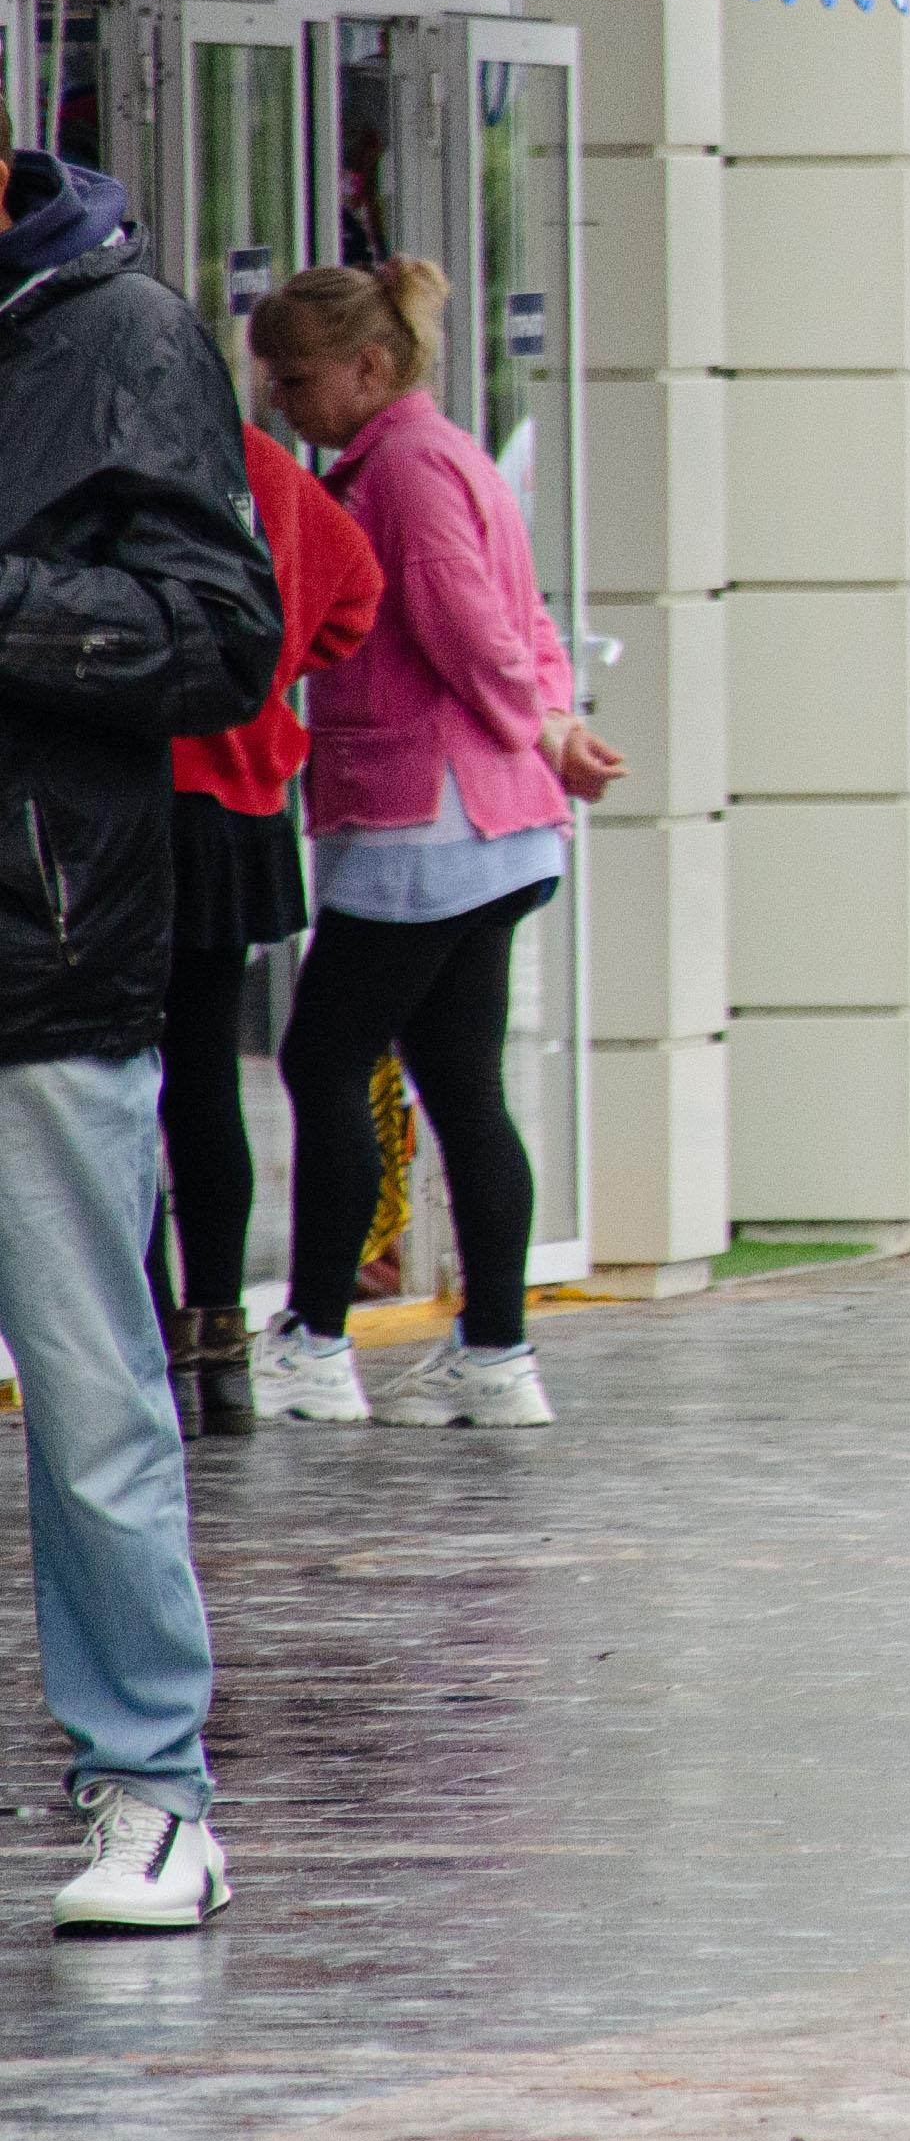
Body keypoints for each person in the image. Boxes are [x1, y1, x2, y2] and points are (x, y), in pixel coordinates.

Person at [0, 143, 282, 1932]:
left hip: (43, 950)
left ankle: (154, 1790)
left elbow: (224, 635)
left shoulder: (118, 334)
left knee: (93, 1392)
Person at [246, 261, 626, 1432]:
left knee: (324, 1061)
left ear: (368, 367)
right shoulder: (443, 451)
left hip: (427, 819)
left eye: (297, 380)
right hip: (495, 821)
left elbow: (468, 630)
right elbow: (524, 622)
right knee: (463, 1084)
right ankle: (496, 1352)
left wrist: (537, 720)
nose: (281, 406)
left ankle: (313, 1339)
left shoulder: (400, 471)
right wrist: (552, 724)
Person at [161, 420, 383, 1427]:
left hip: (135, 797)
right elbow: (354, 590)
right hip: (241, 797)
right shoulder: (256, 457)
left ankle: (148, 1332)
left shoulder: (101, 436)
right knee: (203, 1072)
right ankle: (219, 1349)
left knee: (104, 1084)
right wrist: (273, 670)